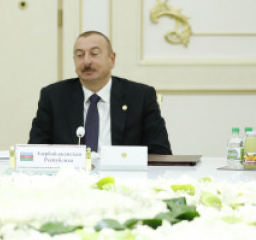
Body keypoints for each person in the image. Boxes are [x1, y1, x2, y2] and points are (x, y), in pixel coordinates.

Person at [28, 31, 172, 154]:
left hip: (124, 175)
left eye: (94, 54)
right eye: (80, 55)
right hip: (70, 176)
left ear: (112, 59)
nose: (86, 61)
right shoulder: (53, 97)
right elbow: (35, 150)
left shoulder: (140, 96)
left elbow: (160, 152)